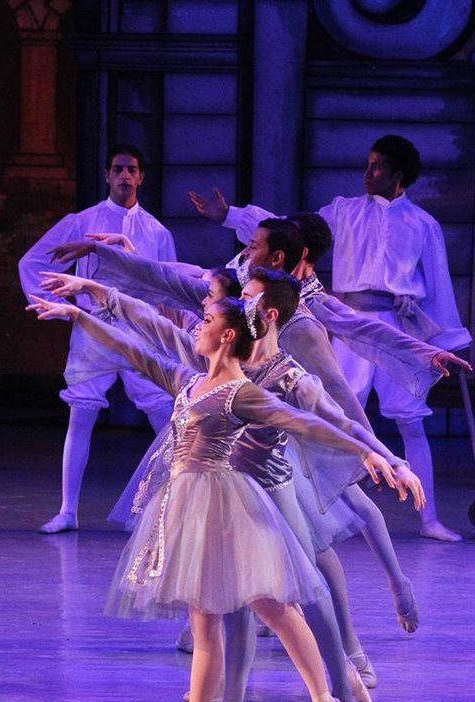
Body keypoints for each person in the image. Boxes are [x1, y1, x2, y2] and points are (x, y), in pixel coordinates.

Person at [41, 267, 427, 702]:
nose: (238, 298)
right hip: (221, 487)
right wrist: (93, 293)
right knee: (232, 604)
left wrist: (388, 459)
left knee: (306, 594)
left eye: (249, 296)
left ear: (267, 313)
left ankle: (344, 697)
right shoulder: (210, 364)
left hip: (271, 488)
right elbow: (150, 334)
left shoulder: (287, 376)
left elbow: (335, 420)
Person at [189, 134, 471, 541]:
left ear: (398, 174)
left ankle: (429, 519)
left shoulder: (422, 224)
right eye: (368, 164)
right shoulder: (345, 210)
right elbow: (289, 230)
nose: (368, 173)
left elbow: (439, 282)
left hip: (397, 322)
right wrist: (231, 215)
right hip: (347, 315)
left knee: (410, 419)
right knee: (336, 407)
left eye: (377, 166)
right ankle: (337, 506)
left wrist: (444, 342)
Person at [18, 144, 177, 533]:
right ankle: (68, 510)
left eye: (132, 169)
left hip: (140, 331)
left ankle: (171, 508)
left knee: (166, 418)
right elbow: (33, 261)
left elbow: (169, 284)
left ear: (141, 177)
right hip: (95, 329)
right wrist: (63, 305)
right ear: (107, 175)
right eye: (118, 169)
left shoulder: (156, 231)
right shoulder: (82, 221)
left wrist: (167, 331)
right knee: (81, 415)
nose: (125, 176)